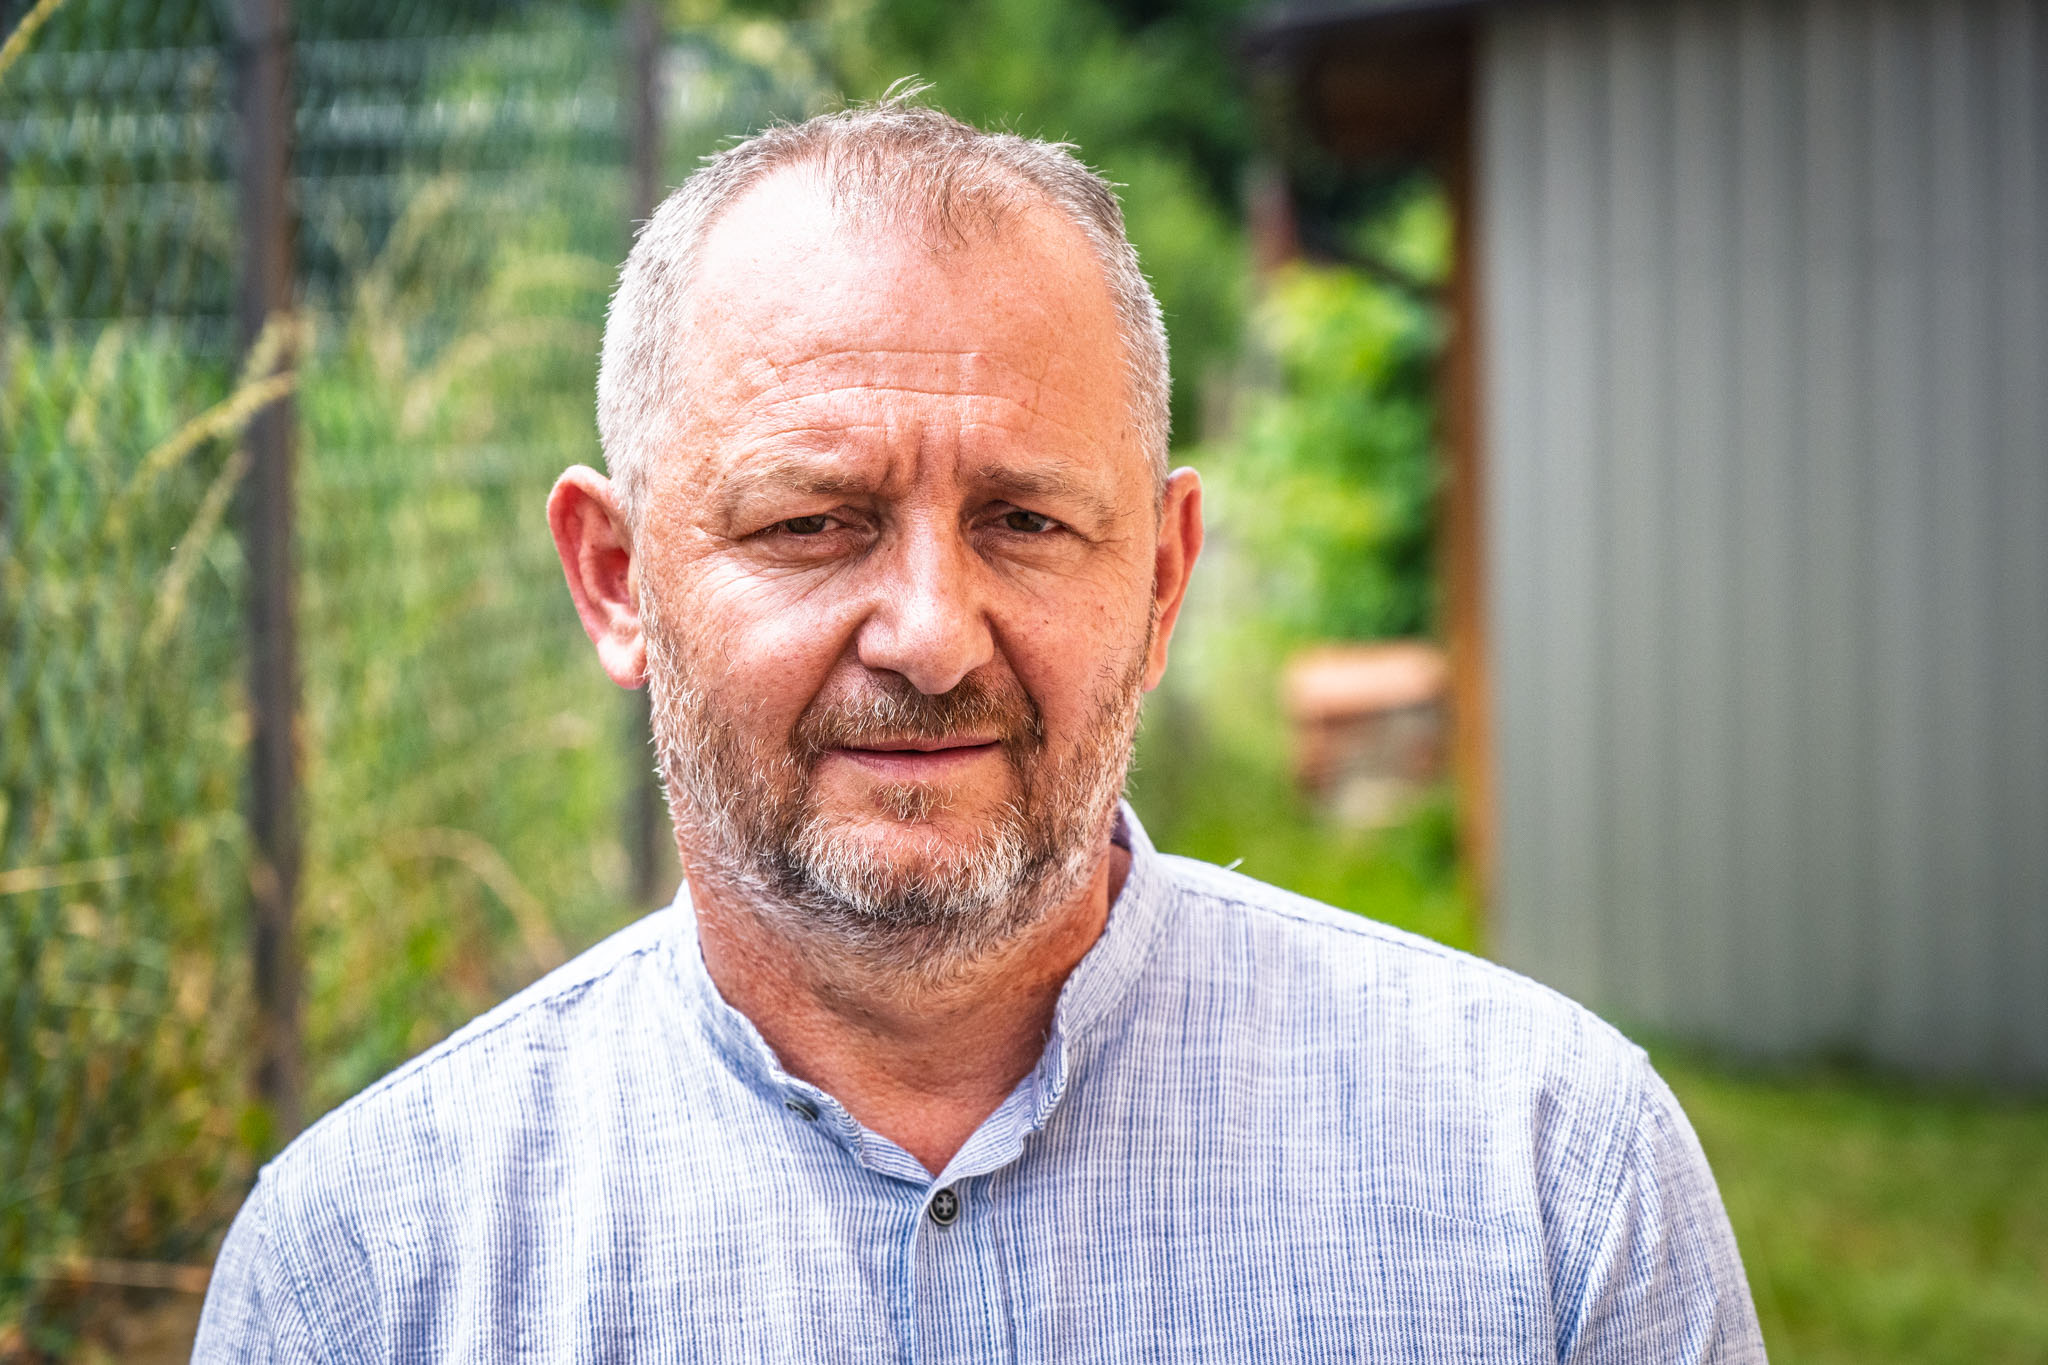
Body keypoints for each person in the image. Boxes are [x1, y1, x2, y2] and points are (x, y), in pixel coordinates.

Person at [193, 97, 1765, 1362]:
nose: (933, 634)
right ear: (617, 580)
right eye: (815, 522)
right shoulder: (365, 1280)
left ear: (1161, 581)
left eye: (1022, 519)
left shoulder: (1555, 1183)